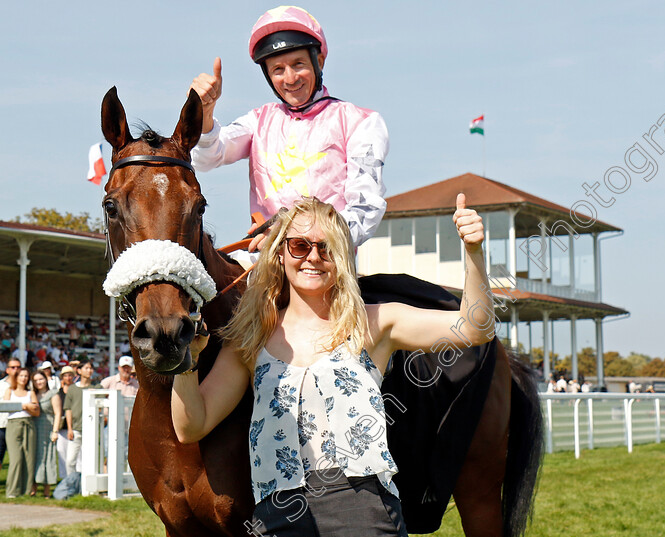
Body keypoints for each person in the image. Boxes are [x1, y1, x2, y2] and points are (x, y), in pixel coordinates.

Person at [172, 195, 492, 536]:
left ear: (341, 258)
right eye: (299, 245)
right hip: (277, 516)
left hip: (364, 510)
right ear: (280, 254)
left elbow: (475, 327)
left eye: (326, 248)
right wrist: (184, 362)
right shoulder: (249, 340)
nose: (313, 257)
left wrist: (473, 252)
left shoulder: (374, 324)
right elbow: (191, 426)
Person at [189, 5, 388, 251]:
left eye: (298, 64)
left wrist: (294, 237)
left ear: (320, 61)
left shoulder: (362, 122)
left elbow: (365, 209)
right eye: (278, 70)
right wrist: (206, 113)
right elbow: (207, 158)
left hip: (326, 267)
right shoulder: (258, 120)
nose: (291, 78)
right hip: (263, 264)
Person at [3, 367, 40, 497]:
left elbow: (36, 411)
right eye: (21, 376)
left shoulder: (30, 393)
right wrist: (24, 406)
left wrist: (29, 408)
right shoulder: (10, 391)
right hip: (14, 424)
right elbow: (6, 407)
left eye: (26, 376)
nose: (23, 378)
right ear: (16, 377)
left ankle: (26, 489)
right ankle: (12, 490)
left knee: (29, 458)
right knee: (16, 458)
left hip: (29, 424)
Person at [63, 359, 101, 474]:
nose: (89, 371)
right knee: (70, 461)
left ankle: (89, 485)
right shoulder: (72, 389)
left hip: (92, 429)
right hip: (76, 429)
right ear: (79, 371)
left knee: (91, 459)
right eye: (86, 368)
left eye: (91, 368)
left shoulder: (98, 388)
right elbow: (68, 409)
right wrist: (69, 428)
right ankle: (72, 482)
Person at [31, 370, 59, 497]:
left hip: (48, 429)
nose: (38, 382)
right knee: (34, 457)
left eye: (40, 379)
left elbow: (58, 413)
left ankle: (47, 491)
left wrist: (55, 431)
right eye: (36, 380)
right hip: (34, 429)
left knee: (47, 457)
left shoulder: (53, 394)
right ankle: (33, 488)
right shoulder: (32, 395)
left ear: (46, 380)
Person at [0, 358, 22, 471]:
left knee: (18, 459)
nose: (16, 370)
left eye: (18, 367)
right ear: (7, 370)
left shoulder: (25, 385)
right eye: (13, 367)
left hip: (19, 425)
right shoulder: (1, 385)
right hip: (2, 426)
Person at [54, 366, 75, 478]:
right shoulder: (59, 393)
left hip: (75, 426)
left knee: (76, 456)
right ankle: (64, 478)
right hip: (62, 427)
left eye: (70, 375)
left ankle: (75, 478)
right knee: (62, 454)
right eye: (66, 375)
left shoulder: (76, 390)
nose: (68, 377)